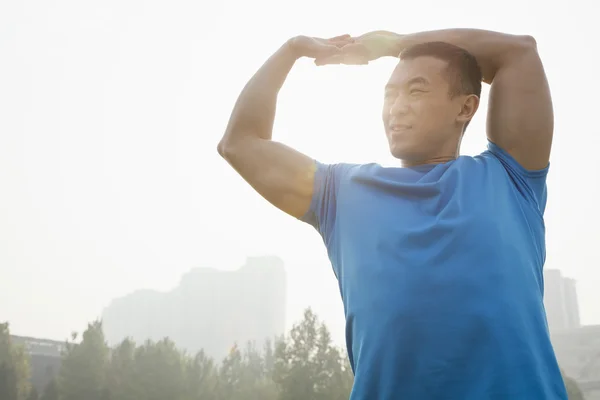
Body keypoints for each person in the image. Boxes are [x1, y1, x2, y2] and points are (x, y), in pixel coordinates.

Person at [217, 29, 566, 399]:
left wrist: (394, 44)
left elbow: (518, 51)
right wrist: (291, 51)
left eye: (415, 91)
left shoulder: (510, 178)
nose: (396, 106)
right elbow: (240, 144)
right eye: (390, 94)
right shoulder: (341, 194)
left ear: (465, 107)